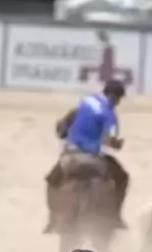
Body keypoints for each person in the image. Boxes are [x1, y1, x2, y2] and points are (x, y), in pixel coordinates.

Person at [46, 79, 128, 232]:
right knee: (123, 178)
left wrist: (66, 134)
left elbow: (62, 125)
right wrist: (116, 145)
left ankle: (52, 219)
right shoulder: (109, 113)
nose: (118, 103)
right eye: (119, 99)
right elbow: (107, 140)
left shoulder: (85, 102)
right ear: (114, 97)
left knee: (51, 181)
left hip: (69, 157)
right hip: (92, 160)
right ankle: (115, 216)